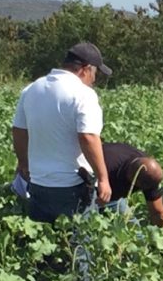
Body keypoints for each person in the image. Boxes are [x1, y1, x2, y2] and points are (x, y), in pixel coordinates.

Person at [12, 42, 113, 224]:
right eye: (94, 74)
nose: (94, 80)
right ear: (84, 70)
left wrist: (24, 163)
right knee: (77, 247)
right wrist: (103, 178)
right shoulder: (83, 94)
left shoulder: (32, 89)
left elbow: (18, 130)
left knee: (45, 245)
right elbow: (88, 137)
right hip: (71, 186)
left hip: (38, 183)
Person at [12, 142, 163, 227]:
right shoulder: (109, 164)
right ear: (131, 178)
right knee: (80, 231)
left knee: (134, 232)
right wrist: (93, 197)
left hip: (113, 196)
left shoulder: (148, 173)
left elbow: (157, 211)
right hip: (81, 186)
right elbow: (79, 174)